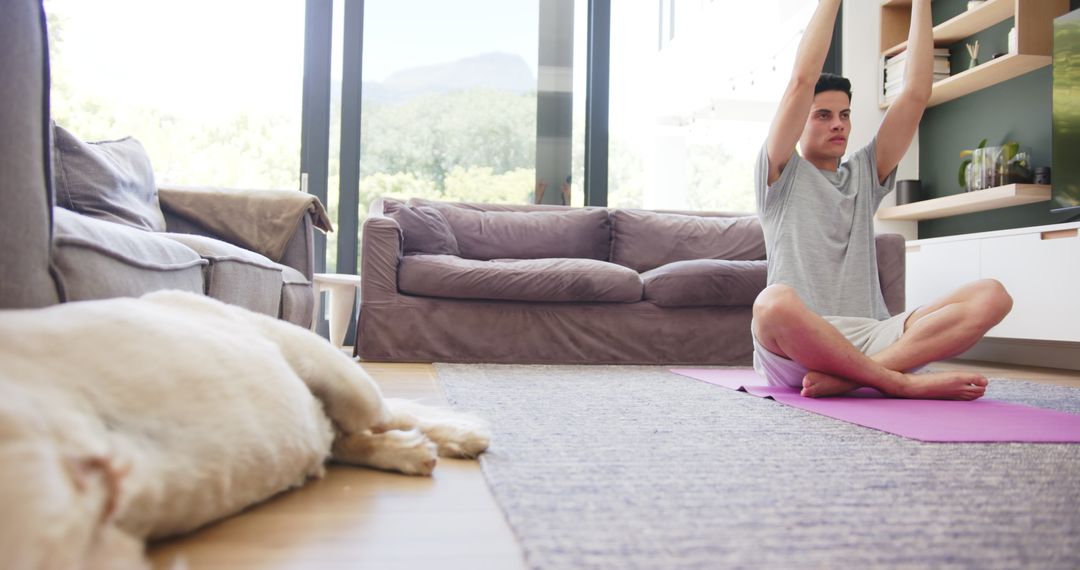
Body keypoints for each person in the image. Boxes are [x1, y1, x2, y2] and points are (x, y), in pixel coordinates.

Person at [751, 0, 1013, 400]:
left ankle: (856, 378)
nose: (838, 123)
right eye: (822, 115)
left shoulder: (864, 174)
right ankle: (898, 381)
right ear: (799, 119)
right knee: (772, 303)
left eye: (844, 114)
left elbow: (915, 94)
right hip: (799, 346)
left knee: (992, 295)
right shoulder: (779, 175)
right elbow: (801, 81)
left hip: (874, 336)